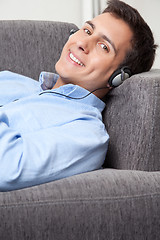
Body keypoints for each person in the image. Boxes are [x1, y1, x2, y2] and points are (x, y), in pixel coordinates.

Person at [0, 0, 157, 191]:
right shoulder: (10, 79)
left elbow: (7, 167)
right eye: (88, 31)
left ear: (118, 77)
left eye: (104, 46)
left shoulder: (86, 133)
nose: (82, 43)